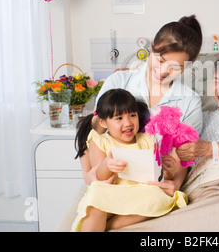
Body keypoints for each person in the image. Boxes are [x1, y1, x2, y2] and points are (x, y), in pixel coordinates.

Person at [81, 15, 204, 199]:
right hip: (111, 180)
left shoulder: (189, 102)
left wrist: (175, 183)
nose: (163, 72)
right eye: (160, 60)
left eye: (174, 67)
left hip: (152, 186)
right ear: (152, 46)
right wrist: (89, 174)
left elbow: (182, 156)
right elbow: (92, 133)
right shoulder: (119, 81)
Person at [72, 89, 188, 232]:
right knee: (96, 195)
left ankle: (108, 226)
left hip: (140, 193)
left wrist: (166, 169)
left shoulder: (146, 139)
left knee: (158, 197)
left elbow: (158, 176)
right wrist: (107, 165)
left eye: (133, 116)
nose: (128, 123)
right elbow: (99, 178)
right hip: (113, 192)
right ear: (103, 122)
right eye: (119, 118)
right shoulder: (100, 141)